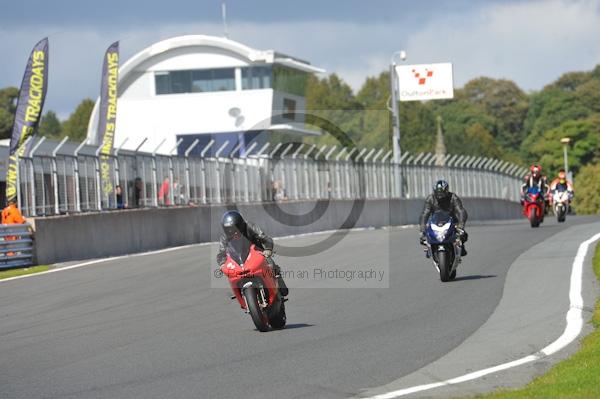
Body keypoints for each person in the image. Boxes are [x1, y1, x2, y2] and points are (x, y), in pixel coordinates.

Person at [216, 210, 289, 297]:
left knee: (270, 264)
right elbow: (221, 253)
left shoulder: (250, 227)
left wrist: (268, 249)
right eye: (229, 230)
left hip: (257, 253)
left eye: (236, 228)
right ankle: (237, 290)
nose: (233, 232)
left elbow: (265, 238)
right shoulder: (224, 237)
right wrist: (222, 264)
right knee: (230, 273)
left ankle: (278, 281)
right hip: (238, 258)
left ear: (241, 224)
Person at [419, 180, 469, 257]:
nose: (440, 195)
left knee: (463, 235)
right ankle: (430, 248)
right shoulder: (430, 199)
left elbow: (461, 211)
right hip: (435, 222)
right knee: (424, 237)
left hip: (451, 221)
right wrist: (422, 229)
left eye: (442, 193)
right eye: (438, 193)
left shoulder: (453, 197)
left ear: (446, 191)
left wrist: (461, 225)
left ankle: (460, 247)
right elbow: (425, 214)